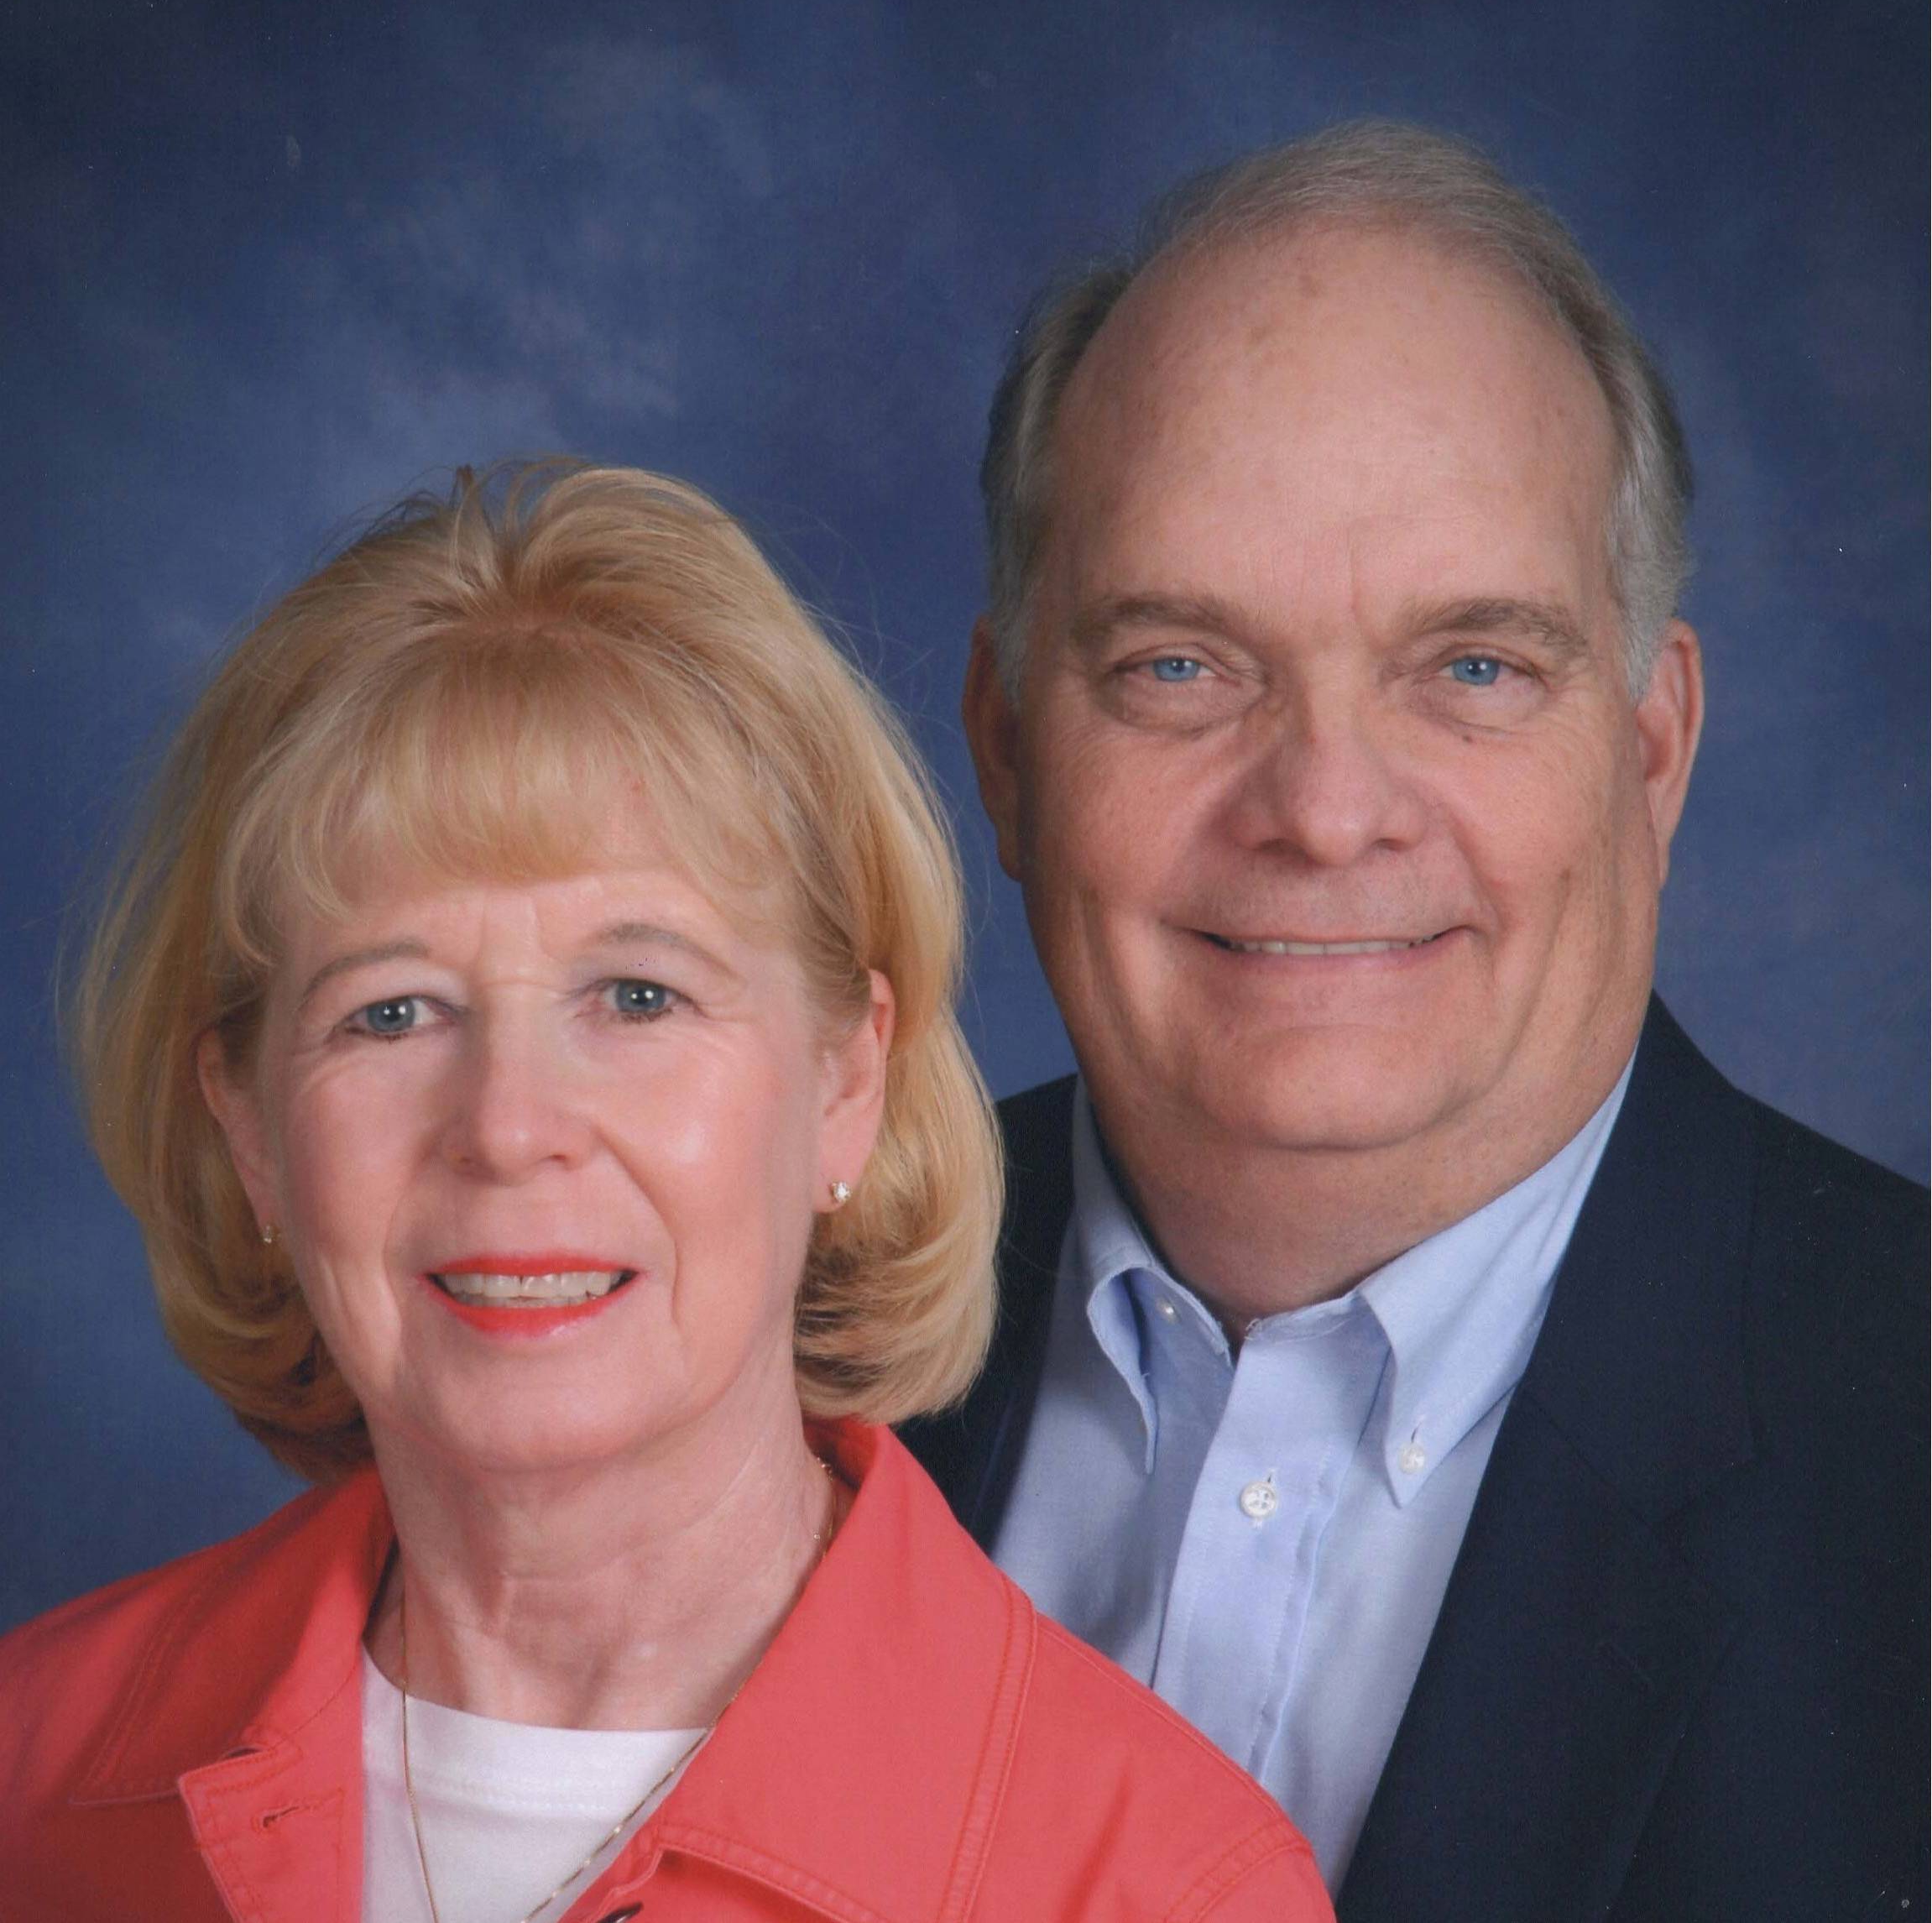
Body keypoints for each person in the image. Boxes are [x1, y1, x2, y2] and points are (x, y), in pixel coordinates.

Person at [0, 465, 1332, 1922]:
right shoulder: (30, 1764)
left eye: (636, 994)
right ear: (251, 1127)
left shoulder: (1156, 1885)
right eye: (391, 1012)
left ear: (845, 1079)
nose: (508, 1127)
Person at [904, 121, 1928, 1920]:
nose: (1323, 809)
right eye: (1177, 665)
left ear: (1649, 751)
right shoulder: (754, 1342)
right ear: (1003, 747)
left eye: (1470, 666)